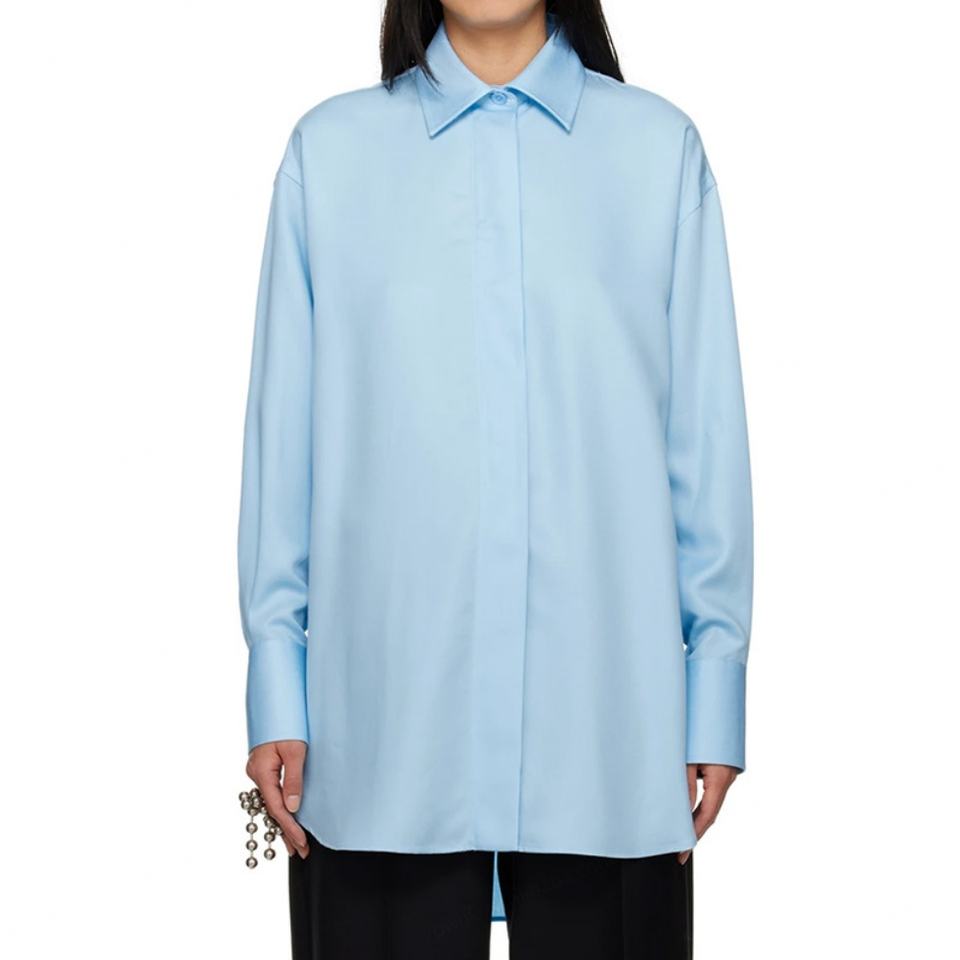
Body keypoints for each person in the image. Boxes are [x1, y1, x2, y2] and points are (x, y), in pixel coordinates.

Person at [237, 1, 753, 957]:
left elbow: (704, 447)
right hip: (382, 739)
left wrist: (714, 687)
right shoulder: (330, 156)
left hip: (608, 738)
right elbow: (284, 450)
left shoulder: (658, 154)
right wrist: (277, 682)